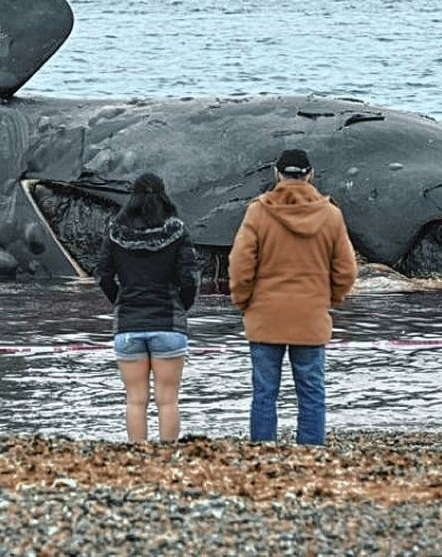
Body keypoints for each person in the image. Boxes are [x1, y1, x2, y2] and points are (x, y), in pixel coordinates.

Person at [228, 148, 357, 446]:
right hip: (310, 315)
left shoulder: (258, 212)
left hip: (265, 315)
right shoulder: (330, 215)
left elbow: (240, 266)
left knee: (264, 391)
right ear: (310, 175)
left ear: (277, 173)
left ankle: (263, 448)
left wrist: (244, 302)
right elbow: (346, 271)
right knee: (312, 390)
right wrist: (329, 300)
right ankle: (310, 449)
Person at [95, 173, 200, 442]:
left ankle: (137, 453)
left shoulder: (116, 232)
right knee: (167, 400)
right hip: (168, 323)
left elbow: (103, 276)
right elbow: (189, 278)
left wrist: (120, 300)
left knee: (135, 400)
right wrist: (181, 306)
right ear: (163, 196)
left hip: (129, 324)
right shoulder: (176, 230)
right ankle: (168, 454)